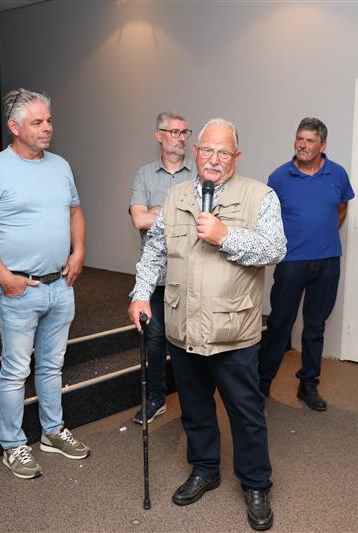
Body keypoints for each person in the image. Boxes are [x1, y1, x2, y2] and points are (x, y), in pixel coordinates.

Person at [128, 118, 286, 531]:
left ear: (237, 156)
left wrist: (225, 236)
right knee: (195, 407)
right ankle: (204, 468)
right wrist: (140, 294)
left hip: (233, 332)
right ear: (196, 152)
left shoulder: (260, 196)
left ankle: (256, 484)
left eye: (224, 152)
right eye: (208, 150)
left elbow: (275, 249)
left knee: (246, 414)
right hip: (183, 326)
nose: (214, 159)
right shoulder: (175, 196)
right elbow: (154, 252)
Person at [0, 88, 90, 479]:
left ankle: (52, 431)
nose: (47, 127)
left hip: (61, 286)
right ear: (14, 127)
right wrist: (6, 279)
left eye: (48, 120)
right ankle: (13, 444)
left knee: (52, 366)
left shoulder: (61, 166)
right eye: (37, 122)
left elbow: (75, 213)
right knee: (16, 371)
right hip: (20, 290)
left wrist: (79, 253)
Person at [258, 118, 354, 411]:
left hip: (327, 261)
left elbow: (341, 208)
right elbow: (269, 218)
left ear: (322, 145)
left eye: (309, 140)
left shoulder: (337, 174)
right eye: (299, 138)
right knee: (280, 324)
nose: (302, 145)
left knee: (315, 325)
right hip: (291, 262)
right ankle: (261, 384)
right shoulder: (279, 177)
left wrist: (321, 235)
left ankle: (308, 385)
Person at [128, 111, 194, 425]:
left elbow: (202, 221)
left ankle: (192, 401)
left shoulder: (197, 175)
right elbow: (139, 219)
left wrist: (158, 210)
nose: (181, 138)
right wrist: (176, 214)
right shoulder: (143, 175)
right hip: (154, 275)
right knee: (154, 340)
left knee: (188, 339)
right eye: (175, 132)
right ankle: (156, 397)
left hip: (188, 273)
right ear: (159, 135)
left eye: (185, 132)